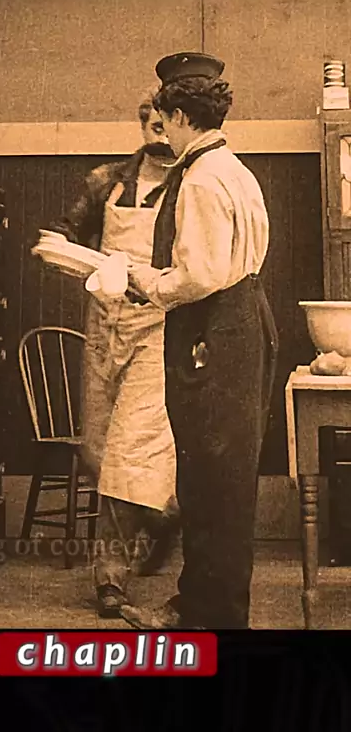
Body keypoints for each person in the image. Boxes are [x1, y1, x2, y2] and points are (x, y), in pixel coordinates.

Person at [120, 52, 279, 630]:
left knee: (214, 483)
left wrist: (144, 281)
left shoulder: (203, 179)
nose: (163, 130)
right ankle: (201, 607)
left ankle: (214, 620)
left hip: (214, 332)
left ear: (182, 116)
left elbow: (200, 275)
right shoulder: (235, 170)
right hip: (241, 323)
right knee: (218, 480)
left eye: (165, 119)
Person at [47, 94, 180, 618]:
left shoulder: (190, 186)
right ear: (143, 126)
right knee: (98, 449)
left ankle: (109, 578)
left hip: (158, 329)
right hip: (103, 324)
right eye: (152, 125)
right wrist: (61, 251)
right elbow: (67, 230)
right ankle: (166, 515)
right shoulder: (108, 180)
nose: (160, 134)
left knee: (130, 452)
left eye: (167, 125)